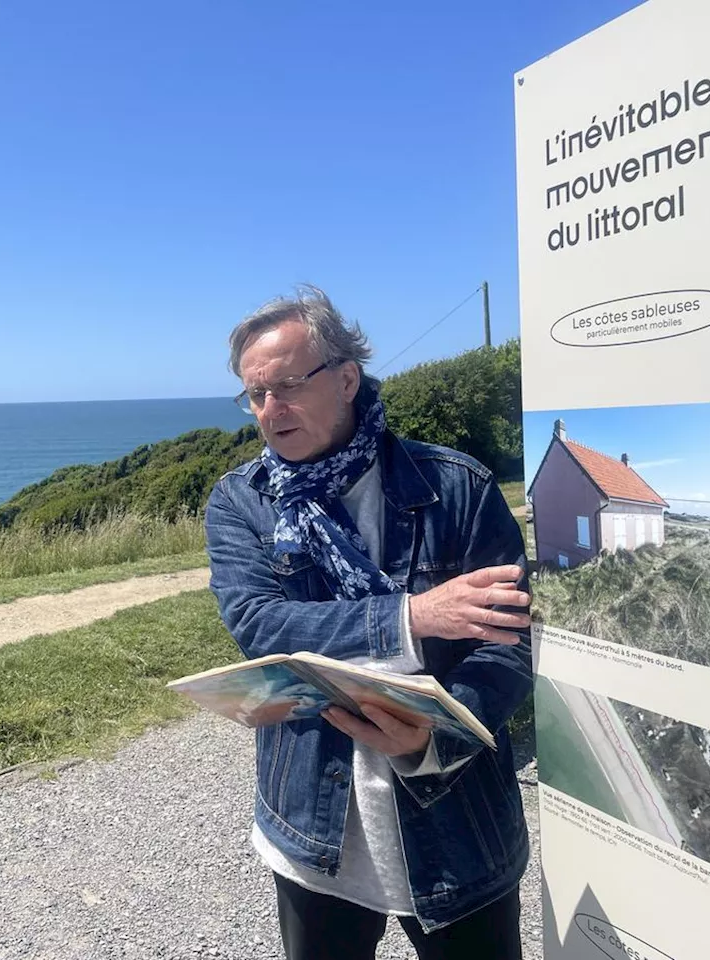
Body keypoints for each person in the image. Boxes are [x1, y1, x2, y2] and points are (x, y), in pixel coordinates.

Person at [204, 287, 533, 960]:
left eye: (288, 386)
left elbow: (510, 646)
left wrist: (436, 737)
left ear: (347, 377)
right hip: (312, 834)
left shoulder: (458, 486)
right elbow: (260, 626)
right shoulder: (242, 502)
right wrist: (412, 617)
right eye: (255, 395)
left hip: (458, 826)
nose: (271, 411)